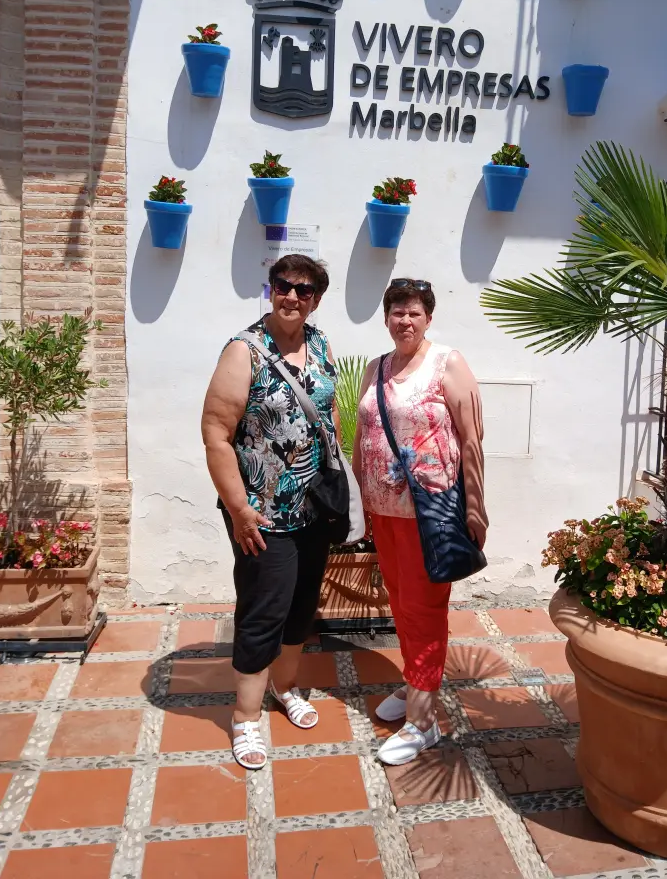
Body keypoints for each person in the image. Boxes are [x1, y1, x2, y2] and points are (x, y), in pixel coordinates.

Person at [201, 255, 340, 769]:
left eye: (305, 291)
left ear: (316, 300)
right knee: (263, 610)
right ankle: (244, 717)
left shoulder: (320, 343)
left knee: (301, 608)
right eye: (284, 286)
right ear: (271, 289)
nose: (293, 297)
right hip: (261, 512)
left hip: (313, 508)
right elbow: (216, 432)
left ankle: (285, 688)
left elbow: (328, 414)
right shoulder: (245, 351)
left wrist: (335, 474)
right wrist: (238, 507)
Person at [353, 278, 488, 765]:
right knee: (401, 606)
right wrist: (361, 503)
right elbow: (362, 434)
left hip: (428, 512)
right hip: (383, 513)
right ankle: (415, 683)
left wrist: (475, 504)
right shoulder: (376, 368)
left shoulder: (446, 363)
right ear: (386, 317)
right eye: (396, 312)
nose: (404, 321)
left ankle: (423, 721)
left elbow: (471, 439)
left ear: (428, 317)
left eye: (413, 312)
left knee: (424, 610)